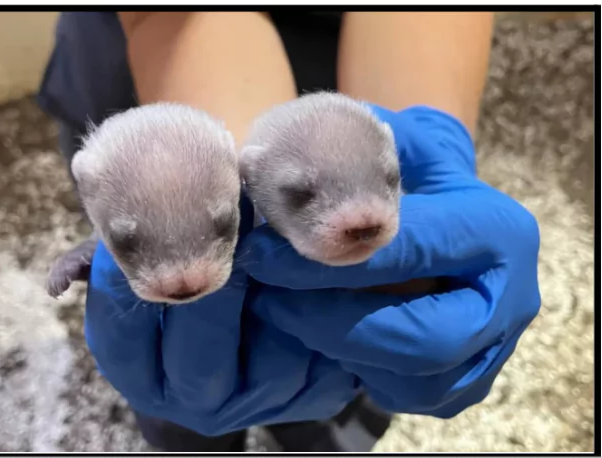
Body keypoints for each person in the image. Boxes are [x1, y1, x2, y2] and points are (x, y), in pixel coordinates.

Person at [37, 11, 541, 452]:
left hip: (336, 87)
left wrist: (428, 140)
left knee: (356, 360)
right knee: (178, 374)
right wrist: (230, 190)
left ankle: (328, 430)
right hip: (154, 71)